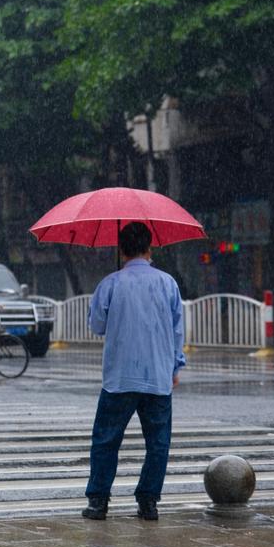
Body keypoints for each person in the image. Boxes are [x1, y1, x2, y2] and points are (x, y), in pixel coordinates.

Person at [82, 222, 186, 522]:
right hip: (157, 377)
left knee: (106, 440)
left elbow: (97, 326)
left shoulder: (111, 283)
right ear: (149, 248)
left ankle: (99, 502)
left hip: (119, 378)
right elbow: (178, 329)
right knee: (158, 443)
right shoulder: (168, 283)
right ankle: (148, 502)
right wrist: (175, 365)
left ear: (121, 249)